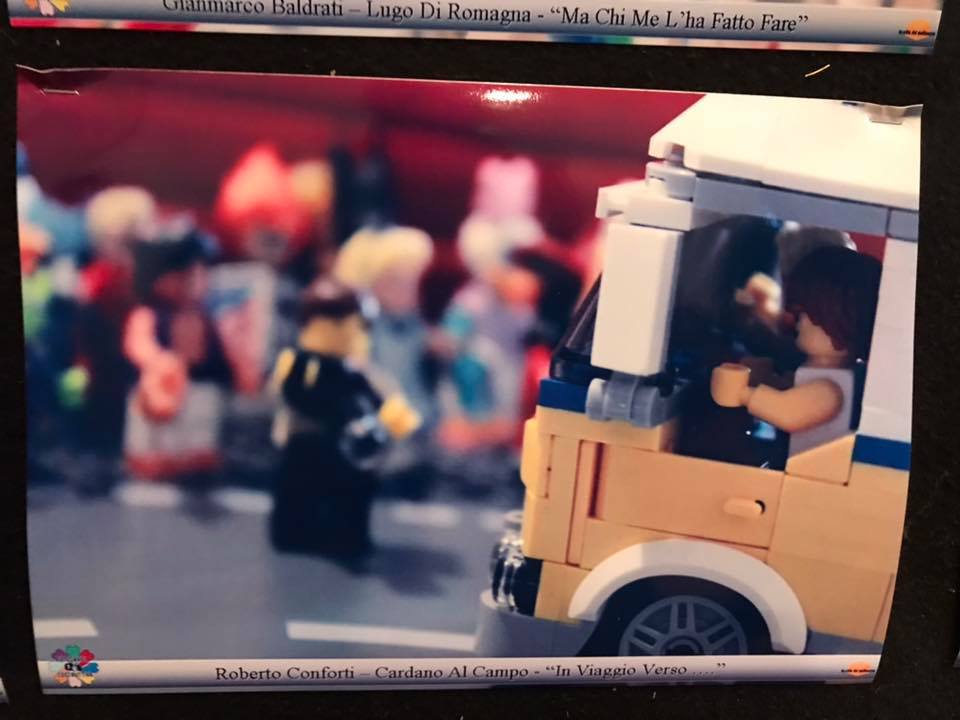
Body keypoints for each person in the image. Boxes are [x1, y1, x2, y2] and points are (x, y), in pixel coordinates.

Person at [269, 277, 420, 559]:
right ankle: (295, 533)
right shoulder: (299, 363)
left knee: (351, 495)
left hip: (345, 447)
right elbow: (292, 393)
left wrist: (393, 417)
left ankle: (346, 536)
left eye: (342, 321)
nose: (334, 330)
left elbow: (381, 394)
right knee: (297, 496)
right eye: (327, 322)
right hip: (304, 442)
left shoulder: (356, 369)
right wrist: (334, 407)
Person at [710, 245, 882, 460]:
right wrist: (767, 380)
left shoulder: (829, 390)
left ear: (843, 322)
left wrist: (742, 393)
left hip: (809, 471)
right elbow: (794, 392)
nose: (799, 321)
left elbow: (789, 412)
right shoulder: (833, 374)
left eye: (809, 314)